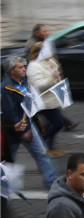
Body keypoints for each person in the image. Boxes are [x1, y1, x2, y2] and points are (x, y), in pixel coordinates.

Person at [1, 56, 57, 188]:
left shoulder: (23, 82)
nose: (24, 69)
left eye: (24, 66)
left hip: (27, 124)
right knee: (8, 161)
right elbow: (10, 112)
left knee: (42, 154)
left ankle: (51, 181)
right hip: (15, 129)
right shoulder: (5, 88)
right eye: (20, 67)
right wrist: (24, 130)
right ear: (11, 70)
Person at [24, 41, 67, 156]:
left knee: (54, 123)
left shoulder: (50, 62)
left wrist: (57, 76)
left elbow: (57, 76)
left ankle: (47, 146)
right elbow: (38, 86)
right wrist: (52, 78)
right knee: (58, 123)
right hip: (43, 101)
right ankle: (43, 145)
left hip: (51, 100)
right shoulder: (33, 66)